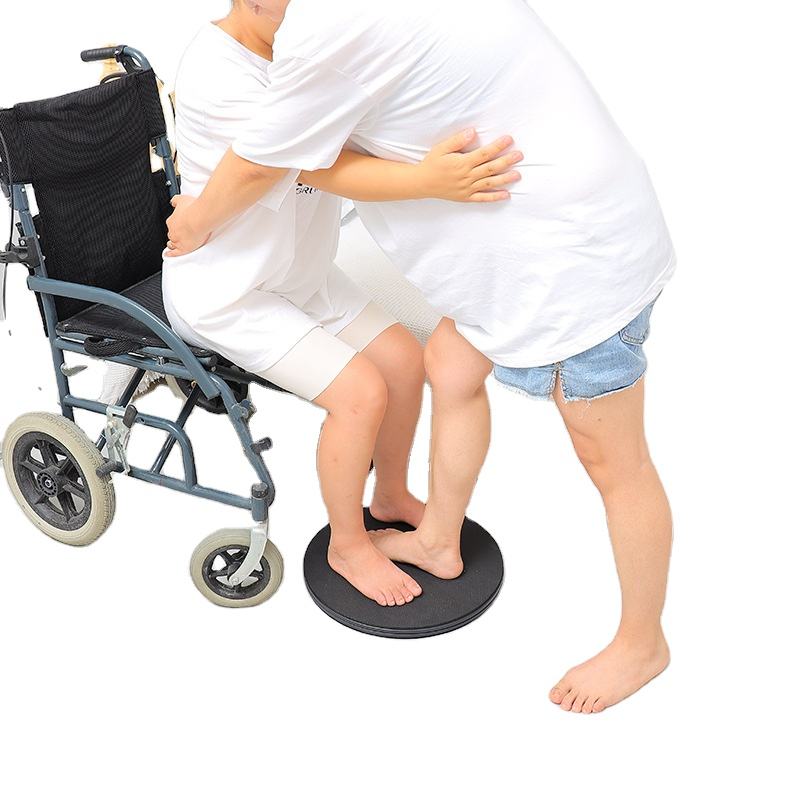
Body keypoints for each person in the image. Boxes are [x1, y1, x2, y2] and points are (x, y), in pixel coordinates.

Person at [167, 0, 676, 714]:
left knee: (614, 464)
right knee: (444, 364)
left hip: (572, 267)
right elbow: (282, 164)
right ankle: (421, 540)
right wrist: (194, 219)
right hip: (507, 256)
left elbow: (292, 161)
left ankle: (642, 642)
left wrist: (427, 180)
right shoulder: (269, 51)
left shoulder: (327, 34)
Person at [163, 4, 522, 608]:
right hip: (230, 294)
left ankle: (390, 496)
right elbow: (306, 165)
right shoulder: (216, 69)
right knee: (361, 395)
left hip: (302, 278)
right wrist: (430, 180)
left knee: (404, 362)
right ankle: (348, 546)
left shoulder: (303, 42)